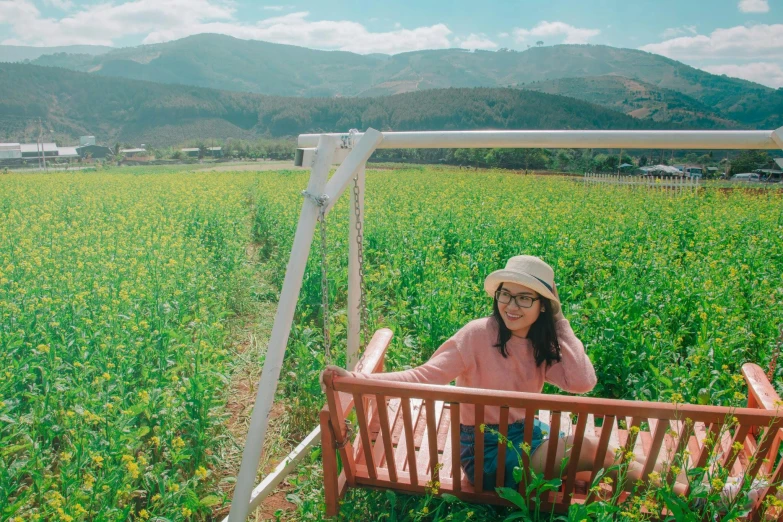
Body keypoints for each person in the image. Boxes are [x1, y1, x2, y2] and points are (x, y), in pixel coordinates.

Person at [320, 255, 676, 493]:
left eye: (526, 299)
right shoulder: (477, 335)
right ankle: (685, 492)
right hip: (487, 454)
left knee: (603, 455)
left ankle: (682, 484)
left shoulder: (539, 344)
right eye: (507, 295)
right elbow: (424, 376)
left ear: (543, 308)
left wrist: (560, 322)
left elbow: (583, 382)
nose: (512, 305)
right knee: (591, 449)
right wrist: (355, 379)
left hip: (528, 437)